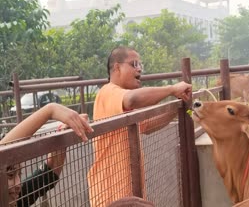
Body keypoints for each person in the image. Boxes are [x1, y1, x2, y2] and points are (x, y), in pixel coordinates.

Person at [87, 46, 192, 206]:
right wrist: (171, 89)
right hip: (111, 194)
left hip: (127, 192)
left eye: (140, 65)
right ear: (117, 67)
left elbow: (147, 125)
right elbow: (132, 99)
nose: (139, 69)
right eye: (134, 64)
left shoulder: (121, 102)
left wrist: (176, 107)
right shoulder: (109, 92)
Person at [1, 103, 94, 207]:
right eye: (10, 175)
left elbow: (48, 173)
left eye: (20, 174)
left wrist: (63, 132)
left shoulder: (15, 199)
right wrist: (50, 110)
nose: (18, 184)